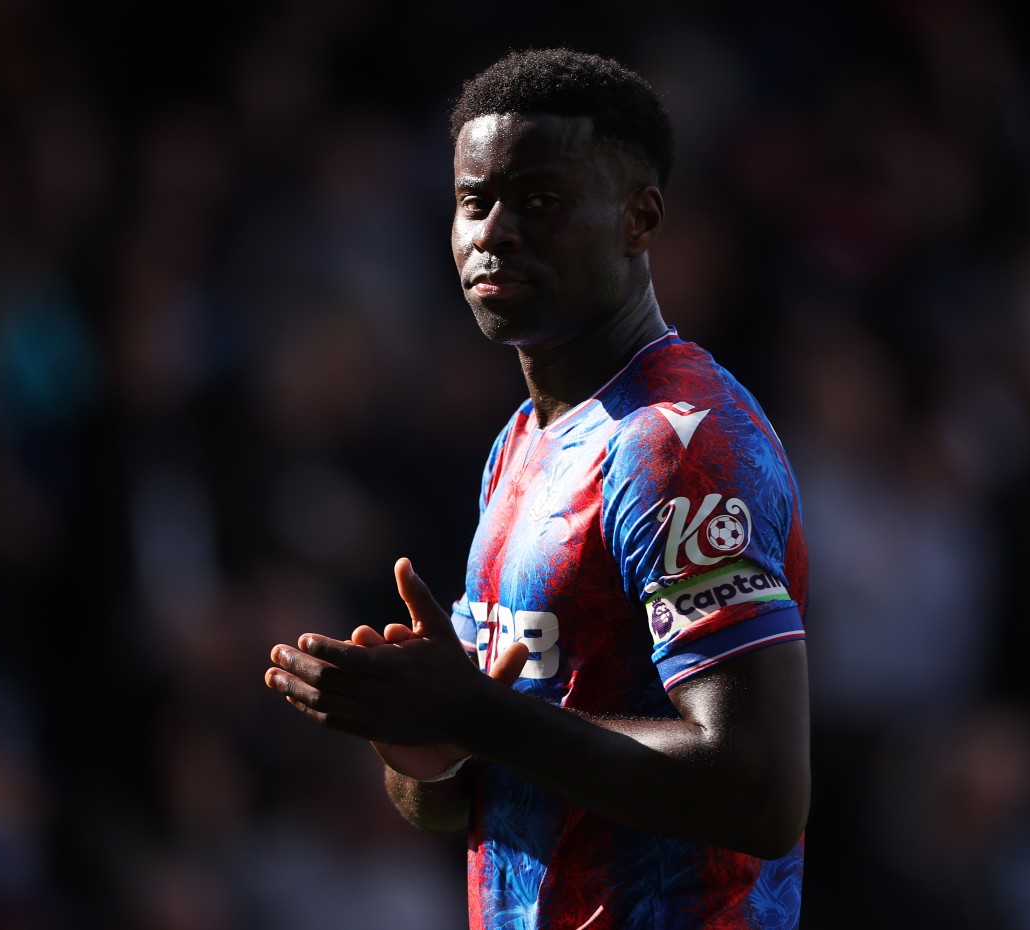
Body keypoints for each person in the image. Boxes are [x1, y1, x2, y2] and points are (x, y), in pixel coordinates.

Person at [265, 48, 810, 929]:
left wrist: (475, 715)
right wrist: (422, 742)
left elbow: (759, 792)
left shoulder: (678, 447)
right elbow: (466, 795)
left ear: (639, 220)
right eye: (473, 201)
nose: (496, 231)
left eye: (541, 202)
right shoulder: (523, 442)